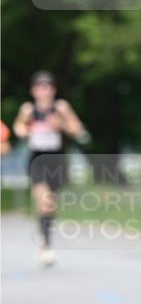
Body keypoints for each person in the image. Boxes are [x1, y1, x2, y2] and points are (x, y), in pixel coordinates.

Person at [12, 72, 90, 267]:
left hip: (55, 159)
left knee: (51, 204)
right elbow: (19, 127)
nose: (44, 90)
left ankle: (44, 237)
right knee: (43, 199)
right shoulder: (28, 109)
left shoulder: (61, 108)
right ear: (33, 90)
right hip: (37, 158)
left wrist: (61, 124)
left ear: (53, 90)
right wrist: (25, 130)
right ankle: (44, 246)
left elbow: (78, 129)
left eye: (47, 86)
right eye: (40, 86)